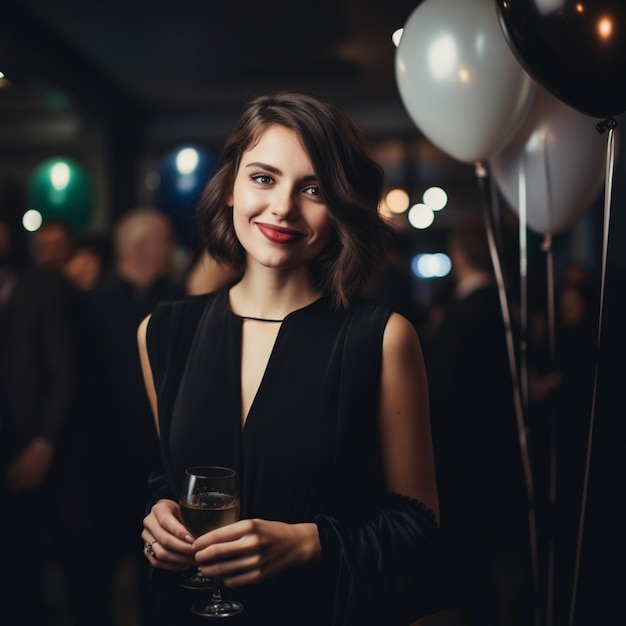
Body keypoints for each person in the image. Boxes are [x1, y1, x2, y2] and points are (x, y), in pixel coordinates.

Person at [137, 90, 447, 626]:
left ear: (342, 206)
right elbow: (174, 478)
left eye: (314, 188)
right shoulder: (162, 333)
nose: (283, 207)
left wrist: (308, 542)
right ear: (231, 186)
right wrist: (159, 518)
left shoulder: (382, 339)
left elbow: (418, 527)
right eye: (263, 178)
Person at [424, 218, 533, 626]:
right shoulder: (509, 309)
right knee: (493, 548)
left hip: (463, 449)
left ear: (460, 254)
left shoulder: (464, 311)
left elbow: (443, 388)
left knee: (470, 550)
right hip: (503, 442)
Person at [91, 206, 185, 623]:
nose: (173, 250)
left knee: (162, 567)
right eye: (166, 240)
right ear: (143, 246)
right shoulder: (92, 305)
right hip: (106, 460)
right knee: (103, 568)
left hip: (160, 458)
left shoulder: (177, 302)